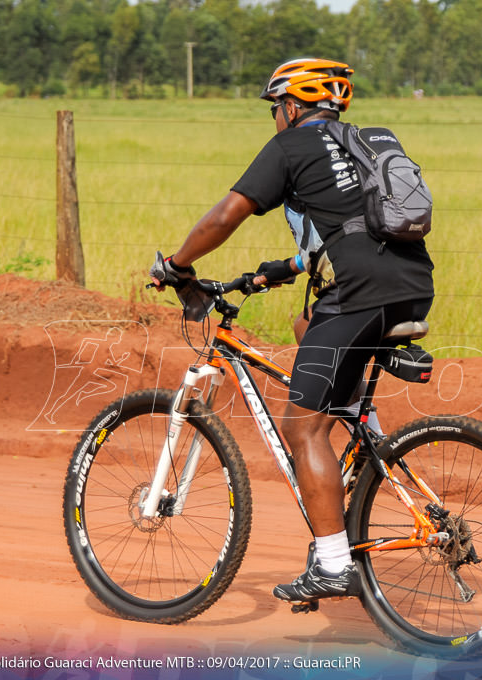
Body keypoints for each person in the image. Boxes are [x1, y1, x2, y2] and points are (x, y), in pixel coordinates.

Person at [149, 58, 434, 604]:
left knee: (302, 430)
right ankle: (356, 449)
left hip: (357, 294)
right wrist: (271, 273)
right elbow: (349, 229)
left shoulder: (290, 148)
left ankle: (332, 564)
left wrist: (178, 264)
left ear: (294, 105)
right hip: (412, 282)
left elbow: (225, 216)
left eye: (276, 107)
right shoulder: (361, 142)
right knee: (307, 325)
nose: (275, 118)